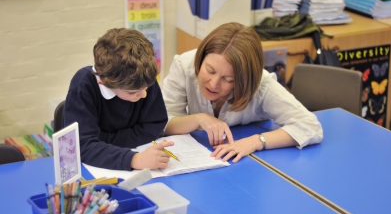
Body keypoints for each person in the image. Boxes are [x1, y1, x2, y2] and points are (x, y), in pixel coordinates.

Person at [162, 22, 323, 163]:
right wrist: (198, 119)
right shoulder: (184, 66)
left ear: (244, 81)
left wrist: (256, 141)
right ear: (201, 59)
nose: (213, 83)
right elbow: (160, 122)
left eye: (228, 79)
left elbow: (310, 126)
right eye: (210, 70)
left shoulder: (261, 84)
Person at [63, 28, 173, 170]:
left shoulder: (144, 79)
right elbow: (81, 146)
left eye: (146, 88)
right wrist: (133, 159)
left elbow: (155, 125)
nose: (144, 95)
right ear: (104, 82)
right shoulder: (84, 85)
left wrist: (102, 141)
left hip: (119, 159)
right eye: (132, 92)